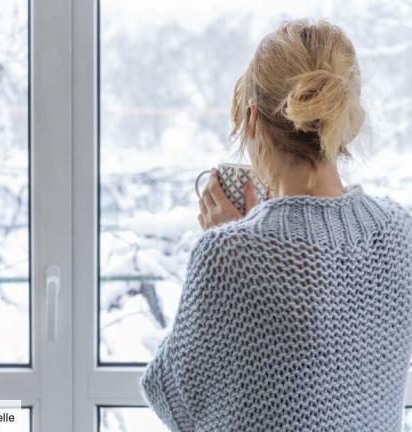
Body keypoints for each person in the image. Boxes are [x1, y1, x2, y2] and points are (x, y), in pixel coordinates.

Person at [140, 19, 412, 431]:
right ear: (347, 118)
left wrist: (229, 236)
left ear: (252, 120)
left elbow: (174, 398)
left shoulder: (227, 255)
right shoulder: (400, 234)